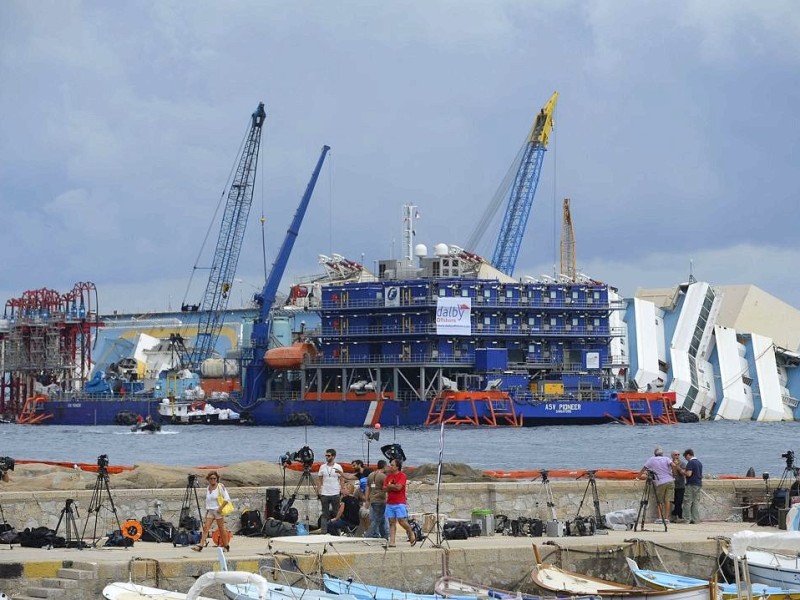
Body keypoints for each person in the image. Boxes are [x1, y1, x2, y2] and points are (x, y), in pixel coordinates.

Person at [193, 471, 231, 552]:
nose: (213, 480)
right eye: (211, 478)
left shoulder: (220, 487)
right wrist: (207, 511)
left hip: (218, 511)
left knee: (221, 529)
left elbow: (227, 499)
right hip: (210, 511)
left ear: (217, 479)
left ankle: (226, 545)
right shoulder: (208, 488)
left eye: (214, 478)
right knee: (206, 528)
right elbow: (208, 501)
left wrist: (221, 508)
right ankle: (201, 545)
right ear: (208, 479)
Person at [383, 458, 416, 548]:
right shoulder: (388, 477)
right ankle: (392, 541)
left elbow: (399, 488)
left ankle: (410, 532)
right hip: (390, 502)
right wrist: (392, 486)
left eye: (392, 465)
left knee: (401, 520)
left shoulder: (402, 475)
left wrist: (390, 486)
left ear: (397, 467)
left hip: (399, 502)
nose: (390, 466)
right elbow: (384, 488)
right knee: (391, 522)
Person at [639, 447, 675, 524]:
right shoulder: (666, 458)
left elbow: (644, 468)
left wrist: (638, 477)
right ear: (662, 454)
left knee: (659, 501)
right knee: (668, 500)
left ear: (654, 454)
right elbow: (673, 465)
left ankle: (659, 518)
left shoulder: (652, 459)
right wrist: (673, 474)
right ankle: (667, 518)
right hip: (670, 480)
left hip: (660, 482)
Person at [317, 448, 343, 533]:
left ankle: (337, 531)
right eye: (326, 455)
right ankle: (323, 532)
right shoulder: (322, 467)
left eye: (328, 455)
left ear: (333, 456)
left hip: (335, 492)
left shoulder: (338, 467)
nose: (327, 457)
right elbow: (320, 480)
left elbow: (342, 479)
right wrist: (319, 490)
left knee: (336, 513)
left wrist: (341, 489)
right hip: (325, 493)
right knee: (325, 513)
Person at [364, 459, 388, 539]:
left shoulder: (371, 475)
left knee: (380, 519)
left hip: (372, 499)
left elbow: (367, 487)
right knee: (377, 519)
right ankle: (368, 535)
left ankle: (384, 536)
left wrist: (367, 499)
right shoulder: (383, 476)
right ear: (384, 466)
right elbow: (387, 488)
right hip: (380, 500)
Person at [681, 449, 703, 524]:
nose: (685, 459)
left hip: (691, 484)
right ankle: (695, 519)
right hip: (698, 484)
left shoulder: (691, 462)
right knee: (695, 502)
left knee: (687, 502)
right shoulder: (699, 462)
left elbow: (689, 474)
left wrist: (682, 471)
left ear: (688, 455)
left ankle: (687, 519)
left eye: (685, 457)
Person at [671, 450, 686, 523]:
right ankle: (677, 515)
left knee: (679, 502)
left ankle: (677, 515)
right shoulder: (669, 463)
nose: (677, 456)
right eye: (675, 455)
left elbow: (684, 473)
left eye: (678, 454)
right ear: (672, 456)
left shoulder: (682, 463)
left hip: (680, 485)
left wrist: (677, 466)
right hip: (672, 485)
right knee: (674, 501)